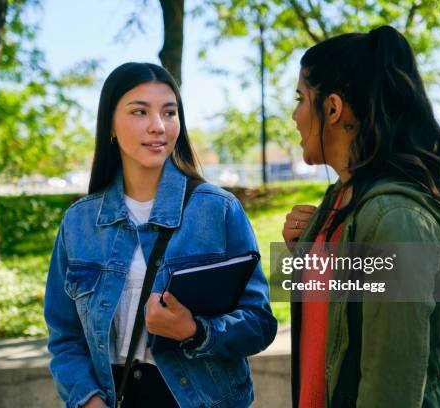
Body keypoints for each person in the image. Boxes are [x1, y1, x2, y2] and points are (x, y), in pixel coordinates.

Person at [44, 62, 277, 408]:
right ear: (110, 124)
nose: (158, 126)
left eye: (169, 113)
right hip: (114, 397)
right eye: (140, 112)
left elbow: (259, 322)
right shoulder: (79, 224)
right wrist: (88, 401)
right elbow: (65, 338)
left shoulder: (219, 210)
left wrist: (194, 331)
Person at [282, 25, 440, 407]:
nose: (294, 115)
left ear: (333, 108)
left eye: (301, 98)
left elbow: (392, 386)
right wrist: (308, 252)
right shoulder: (340, 200)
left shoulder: (395, 221)